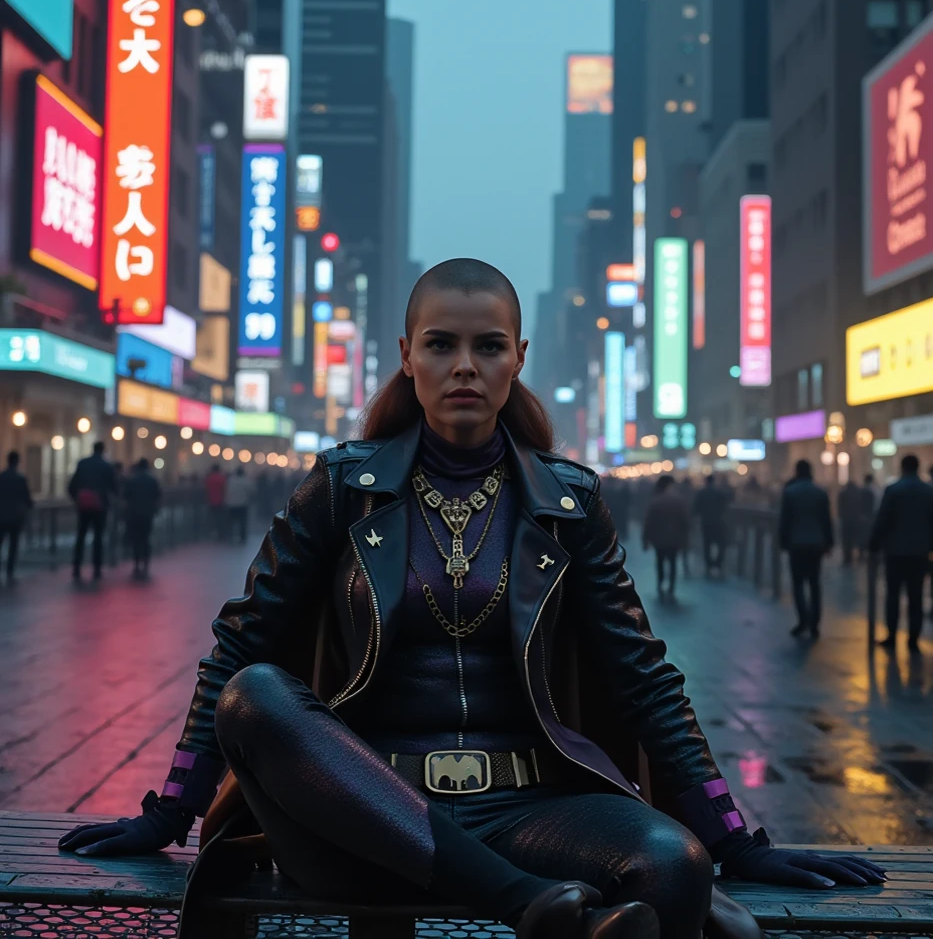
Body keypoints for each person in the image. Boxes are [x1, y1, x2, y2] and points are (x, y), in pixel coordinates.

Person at [58, 260, 883, 939]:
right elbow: (241, 645)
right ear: (406, 356)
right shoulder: (343, 487)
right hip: (368, 813)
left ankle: (531, 898)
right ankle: (525, 904)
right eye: (441, 345)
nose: (464, 366)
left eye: (487, 346)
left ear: (517, 356)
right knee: (258, 694)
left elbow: (643, 675)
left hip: (531, 805)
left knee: (675, 866)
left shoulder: (566, 502)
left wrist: (733, 838)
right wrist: (169, 813)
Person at [868, 454, 933, 653]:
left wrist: (873, 544)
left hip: (895, 551)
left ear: (902, 467)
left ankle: (892, 635)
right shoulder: (928, 491)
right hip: (920, 552)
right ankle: (913, 638)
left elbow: (882, 520)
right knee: (916, 596)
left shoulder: (893, 490)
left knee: (893, 595)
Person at [778, 460, 833, 639]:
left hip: (796, 544)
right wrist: (829, 543)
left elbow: (785, 521)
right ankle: (815, 623)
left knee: (798, 584)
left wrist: (783, 542)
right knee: (815, 583)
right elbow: (826, 521)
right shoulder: (820, 492)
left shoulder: (790, 492)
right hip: (816, 543)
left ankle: (803, 620)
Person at [68, 440, 117, 583]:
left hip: (83, 505)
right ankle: (97, 569)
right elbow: (113, 486)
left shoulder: (82, 463)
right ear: (103, 450)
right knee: (98, 538)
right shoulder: (106, 466)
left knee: (81, 536)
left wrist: (77, 498)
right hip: (99, 505)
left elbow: (73, 484)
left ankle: (76, 567)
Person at [642, 475, 691, 598]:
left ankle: (660, 583)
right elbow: (685, 522)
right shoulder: (679, 501)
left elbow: (649, 522)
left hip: (659, 539)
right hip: (675, 538)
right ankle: (671, 587)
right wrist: (686, 539)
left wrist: (645, 540)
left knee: (660, 561)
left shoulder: (656, 501)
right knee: (673, 562)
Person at [123, 459, 162, 579]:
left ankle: (136, 563)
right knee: (146, 538)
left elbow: (126, 496)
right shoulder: (152, 480)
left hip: (134, 513)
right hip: (147, 513)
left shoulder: (132, 480)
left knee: (136, 540)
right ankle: (146, 563)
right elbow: (158, 496)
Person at [0, 451, 33, 583]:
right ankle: (10, 571)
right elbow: (27, 499)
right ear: (17, 462)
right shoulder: (20, 479)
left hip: (1, 515)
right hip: (15, 516)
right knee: (13, 545)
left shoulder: (1, 477)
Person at [694, 475, 729, 575]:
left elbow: (696, 508)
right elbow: (725, 506)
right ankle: (718, 563)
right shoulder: (720, 493)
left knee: (707, 544)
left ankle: (709, 564)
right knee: (721, 544)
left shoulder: (701, 493)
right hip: (719, 521)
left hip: (706, 522)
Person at [837, 480, 862, 566]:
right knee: (854, 538)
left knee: (846, 540)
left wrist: (840, 516)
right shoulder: (858, 493)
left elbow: (840, 507)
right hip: (855, 519)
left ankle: (847, 557)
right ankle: (854, 555)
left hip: (846, 519)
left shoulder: (843, 493)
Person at [226, 467, 252, 544]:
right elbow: (251, 491)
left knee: (231, 522)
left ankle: (231, 536)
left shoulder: (230, 480)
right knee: (242, 522)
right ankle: (242, 538)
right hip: (242, 504)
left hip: (231, 504)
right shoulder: (245, 480)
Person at [205, 464, 227, 540]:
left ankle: (212, 533)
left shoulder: (209, 478)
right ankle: (221, 534)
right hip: (220, 501)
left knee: (212, 519)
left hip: (211, 501)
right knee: (220, 519)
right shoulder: (221, 478)